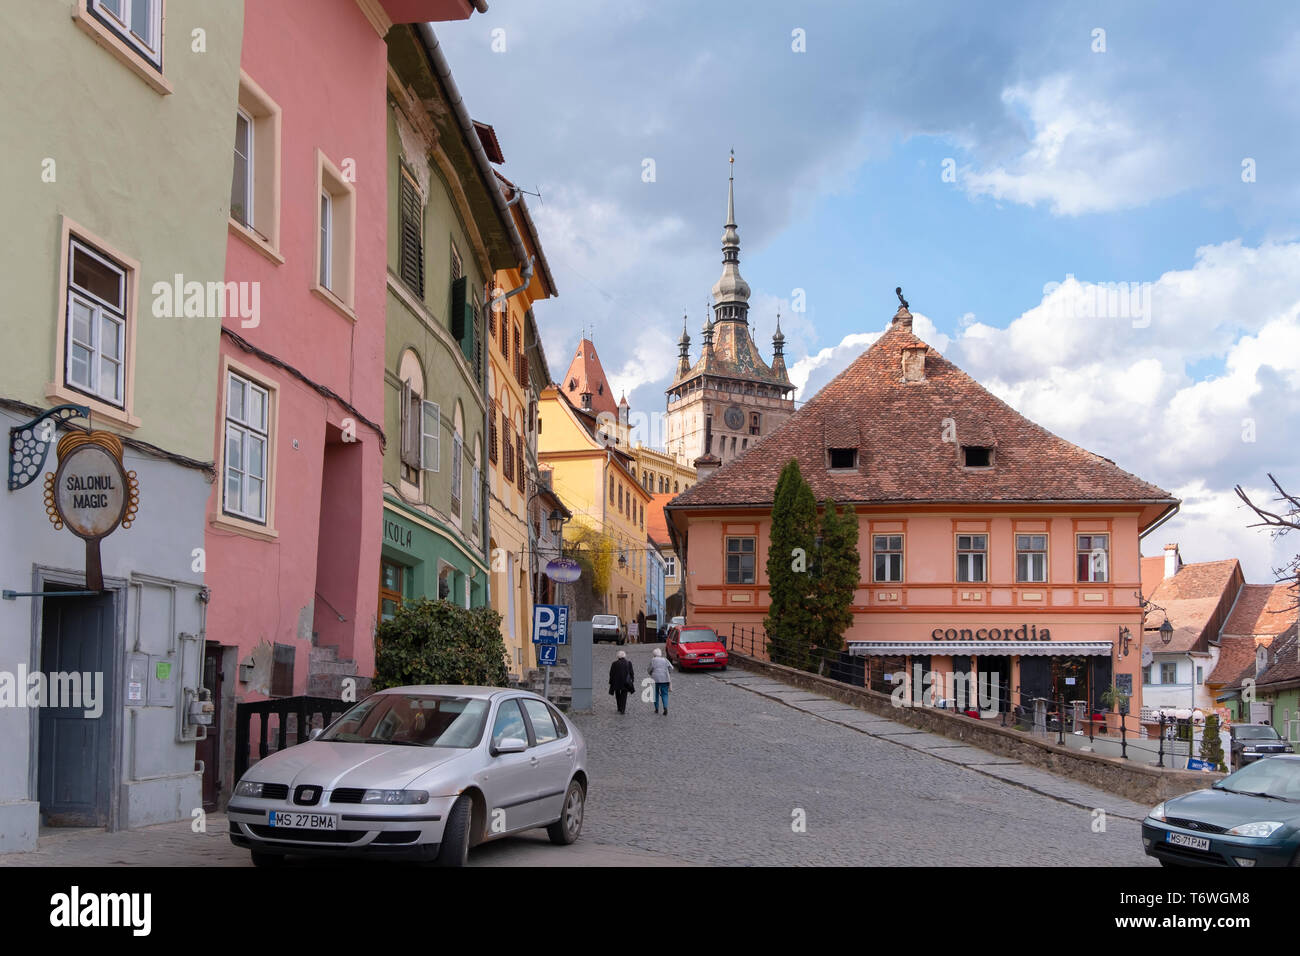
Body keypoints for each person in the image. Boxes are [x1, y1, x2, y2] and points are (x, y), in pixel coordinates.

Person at [648, 647, 673, 715]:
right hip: (664, 679)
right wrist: (668, 672)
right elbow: (671, 668)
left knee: (655, 694)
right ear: (660, 654)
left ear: (654, 654)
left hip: (655, 679)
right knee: (664, 694)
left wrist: (651, 673)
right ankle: (665, 707)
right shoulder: (665, 660)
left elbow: (649, 669)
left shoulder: (653, 660)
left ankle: (656, 709)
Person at [608, 650, 634, 714]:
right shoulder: (628, 663)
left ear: (618, 656)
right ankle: (623, 709)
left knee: (617, 694)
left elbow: (611, 673)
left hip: (616, 682)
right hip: (625, 682)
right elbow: (631, 673)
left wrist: (611, 682)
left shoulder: (614, 663)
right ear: (624, 656)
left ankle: (619, 707)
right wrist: (632, 680)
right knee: (624, 695)